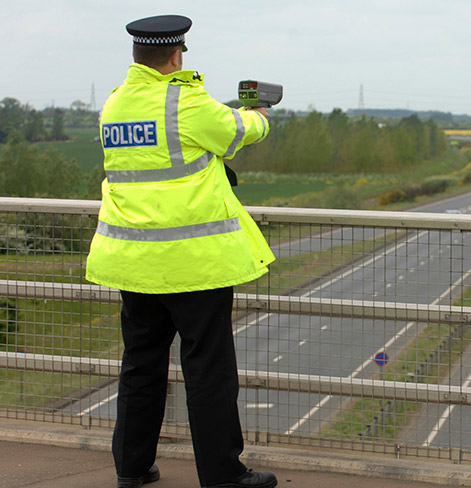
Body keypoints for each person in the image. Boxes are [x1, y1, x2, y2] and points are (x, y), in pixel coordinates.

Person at [85, 14, 278, 488]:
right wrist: (261, 116)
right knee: (208, 371)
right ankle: (222, 475)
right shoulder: (184, 100)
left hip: (133, 261)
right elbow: (237, 132)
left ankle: (132, 469)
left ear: (138, 56)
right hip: (195, 265)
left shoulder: (113, 104)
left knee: (140, 366)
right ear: (176, 56)